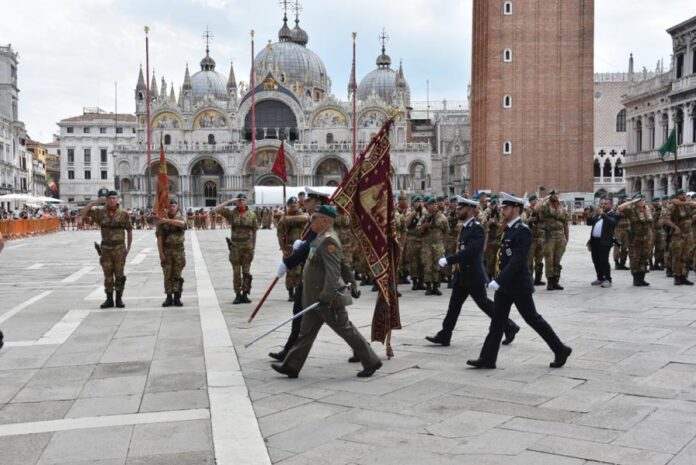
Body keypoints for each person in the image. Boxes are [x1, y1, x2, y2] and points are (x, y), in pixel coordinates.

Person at [270, 205, 382, 379]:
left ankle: (371, 361)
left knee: (346, 330)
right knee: (305, 333)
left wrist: (327, 296)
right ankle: (291, 365)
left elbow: (333, 271)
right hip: (315, 297)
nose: (311, 220)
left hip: (326, 300)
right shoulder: (321, 237)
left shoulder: (328, 240)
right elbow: (343, 263)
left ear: (325, 220)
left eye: (315, 218)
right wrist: (352, 283)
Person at [467, 193, 571, 369]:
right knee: (497, 323)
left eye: (506, 208)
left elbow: (517, 261)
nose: (503, 211)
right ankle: (487, 358)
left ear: (516, 209)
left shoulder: (523, 231)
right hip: (505, 286)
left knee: (533, 319)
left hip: (519, 285)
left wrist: (498, 280)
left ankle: (560, 349)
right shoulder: (508, 228)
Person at [425, 196, 520, 347]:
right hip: (462, 275)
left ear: (469, 210)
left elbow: (471, 251)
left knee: (484, 304)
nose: (457, 211)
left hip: (473, 275)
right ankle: (445, 334)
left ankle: (509, 326)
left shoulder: (476, 227)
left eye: (460, 209)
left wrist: (450, 260)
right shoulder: (465, 226)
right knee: (454, 306)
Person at [270, 187, 330, 361]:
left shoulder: (320, 221)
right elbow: (308, 245)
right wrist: (300, 246)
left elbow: (310, 248)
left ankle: (364, 352)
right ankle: (290, 353)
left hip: (319, 278)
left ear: (317, 203)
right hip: (309, 274)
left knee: (338, 321)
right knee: (300, 313)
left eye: (309, 201)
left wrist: (287, 263)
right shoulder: (314, 219)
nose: (305, 203)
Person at [82, 190, 133, 308]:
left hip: (119, 248)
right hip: (106, 249)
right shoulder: (100, 212)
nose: (112, 200)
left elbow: (129, 230)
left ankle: (119, 298)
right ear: (107, 199)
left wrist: (128, 248)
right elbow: (83, 213)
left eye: (114, 198)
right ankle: (109, 299)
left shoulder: (123, 213)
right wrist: (95, 201)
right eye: (109, 198)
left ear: (118, 199)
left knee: (119, 274)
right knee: (108, 275)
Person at [213, 193, 258, 304]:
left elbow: (254, 231)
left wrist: (253, 247)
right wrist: (230, 201)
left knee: (246, 271)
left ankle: (245, 294)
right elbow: (216, 210)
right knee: (236, 272)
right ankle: (237, 294)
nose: (241, 201)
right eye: (239, 200)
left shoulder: (252, 215)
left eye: (243, 199)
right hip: (235, 248)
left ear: (246, 201)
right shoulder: (232, 214)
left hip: (247, 247)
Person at [276, 197, 310, 301]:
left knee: (301, 271)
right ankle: (291, 292)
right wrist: (283, 249)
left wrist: (289, 218)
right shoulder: (283, 219)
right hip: (289, 247)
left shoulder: (303, 214)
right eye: (291, 203)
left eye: (295, 202)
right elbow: (280, 235)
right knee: (289, 270)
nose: (293, 204)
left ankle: (299, 291)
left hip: (302, 247)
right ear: (288, 205)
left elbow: (305, 218)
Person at [156, 199, 187, 307]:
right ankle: (169, 297)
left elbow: (182, 224)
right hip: (167, 251)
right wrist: (161, 254)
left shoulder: (181, 216)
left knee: (177, 275)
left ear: (177, 207)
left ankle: (177, 297)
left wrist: (166, 220)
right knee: (167, 274)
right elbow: (159, 238)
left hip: (179, 251)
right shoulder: (161, 220)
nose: (172, 207)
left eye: (174, 205)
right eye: (170, 206)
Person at [536, 189, 569, 290]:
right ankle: (550, 281)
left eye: (556, 194)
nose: (555, 196)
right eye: (553, 194)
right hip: (548, 235)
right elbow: (536, 209)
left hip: (560, 236)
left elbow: (565, 222)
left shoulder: (561, 206)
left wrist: (567, 237)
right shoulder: (545, 205)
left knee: (557, 259)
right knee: (549, 258)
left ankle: (555, 281)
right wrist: (544, 198)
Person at [661, 189, 696, 285]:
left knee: (686, 257)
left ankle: (684, 276)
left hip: (688, 234)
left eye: (685, 194)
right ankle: (677, 276)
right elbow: (665, 219)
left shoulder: (686, 205)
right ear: (678, 195)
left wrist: (683, 203)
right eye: (682, 194)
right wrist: (675, 227)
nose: (684, 196)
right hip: (678, 236)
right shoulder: (673, 206)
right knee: (677, 256)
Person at [618, 193, 653, 286]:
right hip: (635, 238)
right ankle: (636, 279)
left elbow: (650, 224)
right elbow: (620, 208)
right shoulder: (631, 210)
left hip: (646, 238)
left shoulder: (648, 209)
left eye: (643, 200)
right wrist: (632, 201)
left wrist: (651, 236)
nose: (642, 202)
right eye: (640, 200)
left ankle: (642, 278)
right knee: (635, 258)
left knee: (644, 258)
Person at [417, 196, 449, 296]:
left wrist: (444, 244)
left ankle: (436, 286)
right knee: (427, 266)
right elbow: (418, 231)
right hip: (427, 245)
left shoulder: (443, 218)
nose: (434, 206)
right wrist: (424, 226)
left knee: (437, 266)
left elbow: (447, 232)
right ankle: (428, 286)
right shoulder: (424, 217)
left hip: (438, 245)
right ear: (428, 206)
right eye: (432, 204)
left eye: (435, 204)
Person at [586, 196, 618, 287]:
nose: (603, 205)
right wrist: (589, 214)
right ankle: (600, 278)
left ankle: (608, 279)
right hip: (595, 241)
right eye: (602, 204)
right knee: (596, 260)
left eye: (606, 204)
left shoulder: (613, 214)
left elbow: (612, 223)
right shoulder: (598, 214)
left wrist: (603, 214)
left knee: (604, 260)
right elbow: (589, 223)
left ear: (611, 205)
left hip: (605, 241)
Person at [524, 195, 546, 286]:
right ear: (530, 201)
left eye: (537, 200)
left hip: (540, 238)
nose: (536, 201)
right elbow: (522, 222)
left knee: (539, 261)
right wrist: (529, 220)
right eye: (534, 200)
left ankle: (538, 279)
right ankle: (529, 279)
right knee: (529, 261)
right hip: (531, 239)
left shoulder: (541, 211)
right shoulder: (527, 211)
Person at [612, 194, 631, 270]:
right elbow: (616, 215)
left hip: (627, 229)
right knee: (617, 246)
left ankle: (622, 263)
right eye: (622, 199)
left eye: (625, 199)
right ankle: (617, 263)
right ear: (619, 199)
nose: (624, 201)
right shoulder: (616, 207)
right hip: (618, 229)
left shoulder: (628, 207)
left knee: (625, 247)